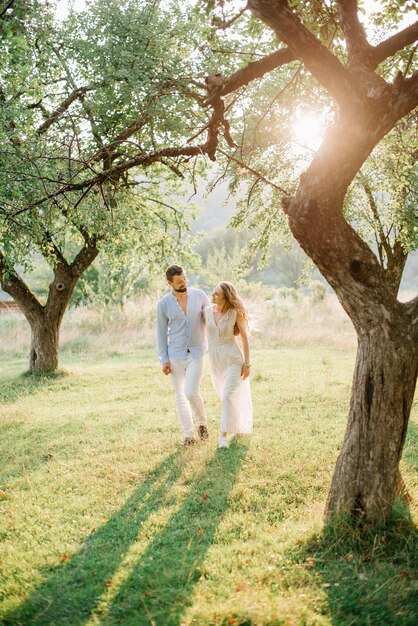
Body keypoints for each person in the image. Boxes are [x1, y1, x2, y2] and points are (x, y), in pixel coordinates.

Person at [156, 264, 210, 446]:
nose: (183, 283)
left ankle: (202, 423)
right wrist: (164, 360)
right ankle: (189, 435)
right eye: (179, 282)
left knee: (191, 391)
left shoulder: (200, 295)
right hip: (175, 355)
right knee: (180, 395)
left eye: (185, 279)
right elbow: (161, 334)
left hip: (197, 351)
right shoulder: (163, 304)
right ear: (169, 283)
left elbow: (210, 319)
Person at [203, 281, 253, 449]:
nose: (213, 295)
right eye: (213, 292)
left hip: (233, 359)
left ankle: (223, 436)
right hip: (215, 360)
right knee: (226, 396)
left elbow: (245, 338)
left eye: (217, 293)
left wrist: (247, 364)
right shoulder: (206, 312)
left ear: (226, 296)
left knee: (227, 395)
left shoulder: (234, 313)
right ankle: (235, 425)